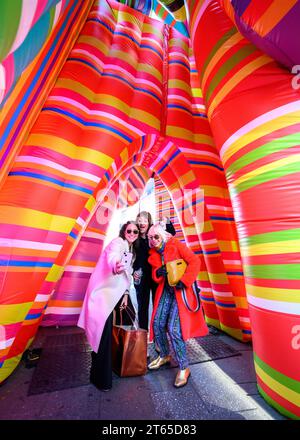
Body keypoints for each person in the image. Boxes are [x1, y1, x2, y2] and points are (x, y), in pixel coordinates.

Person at [78, 221, 139, 391]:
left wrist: (126, 294)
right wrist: (116, 266)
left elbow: (126, 276)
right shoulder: (118, 243)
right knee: (102, 336)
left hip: (112, 296)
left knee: (108, 333)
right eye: (129, 230)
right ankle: (101, 378)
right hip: (102, 296)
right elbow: (114, 258)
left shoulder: (129, 248)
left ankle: (102, 370)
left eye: (135, 231)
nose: (132, 233)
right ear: (123, 231)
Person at [147, 224, 208, 388]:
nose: (153, 241)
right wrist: (157, 273)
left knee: (174, 330)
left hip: (180, 293)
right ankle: (165, 355)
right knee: (157, 323)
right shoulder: (153, 253)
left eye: (156, 237)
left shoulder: (175, 244)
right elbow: (155, 276)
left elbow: (195, 261)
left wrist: (185, 280)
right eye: (150, 238)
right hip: (166, 291)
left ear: (163, 236)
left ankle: (184, 367)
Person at [133, 211, 157, 331]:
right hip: (140, 276)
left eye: (145, 220)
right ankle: (142, 336)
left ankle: (157, 336)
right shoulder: (134, 236)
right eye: (140, 220)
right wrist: (133, 271)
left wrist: (166, 220)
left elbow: (171, 233)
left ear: (149, 222)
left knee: (157, 306)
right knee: (142, 306)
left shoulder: (154, 235)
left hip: (156, 275)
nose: (142, 223)